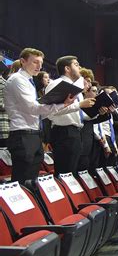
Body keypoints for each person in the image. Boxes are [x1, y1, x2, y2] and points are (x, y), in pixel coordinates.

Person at [4, 48, 76, 183]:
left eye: (41, 63)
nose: (39, 66)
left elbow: (37, 113)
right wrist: (61, 105)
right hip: (23, 135)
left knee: (32, 181)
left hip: (34, 134)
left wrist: (61, 105)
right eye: (35, 62)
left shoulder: (29, 81)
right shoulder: (17, 80)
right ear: (23, 61)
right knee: (23, 181)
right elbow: (33, 108)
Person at [45, 55, 95, 175]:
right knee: (65, 173)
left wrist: (97, 112)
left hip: (75, 132)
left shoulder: (76, 89)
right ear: (67, 68)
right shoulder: (57, 84)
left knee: (72, 173)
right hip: (64, 132)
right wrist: (80, 105)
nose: (80, 67)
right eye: (76, 65)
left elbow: (79, 114)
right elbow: (53, 112)